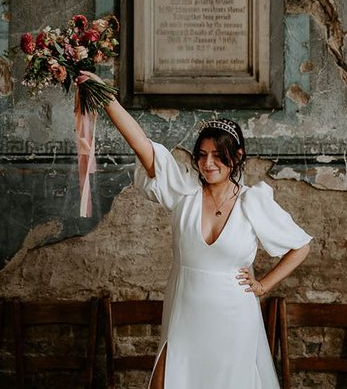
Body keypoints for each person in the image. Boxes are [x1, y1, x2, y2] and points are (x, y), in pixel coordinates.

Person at [82, 71, 311, 389]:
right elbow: (141, 144)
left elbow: (301, 246)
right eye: (202, 155)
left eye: (219, 156)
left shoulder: (252, 202)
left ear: (238, 156)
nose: (208, 163)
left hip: (235, 317)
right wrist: (104, 96)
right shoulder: (184, 191)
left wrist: (264, 285)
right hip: (185, 311)